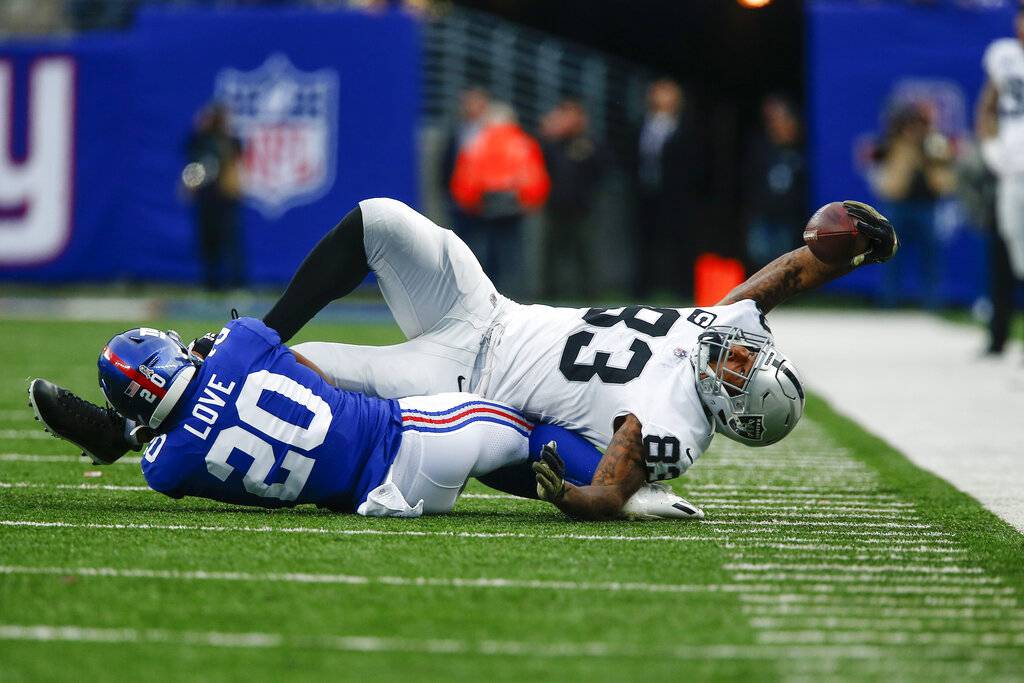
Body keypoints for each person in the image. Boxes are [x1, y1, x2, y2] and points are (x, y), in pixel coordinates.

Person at [32, 197, 897, 521]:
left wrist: (598, 499)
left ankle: (121, 429)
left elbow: (618, 460)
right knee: (380, 220)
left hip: (457, 393)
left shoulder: (678, 422)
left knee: (283, 384)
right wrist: (851, 248)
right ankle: (234, 351)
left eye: (744, 370)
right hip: (487, 313)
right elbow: (783, 274)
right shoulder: (718, 336)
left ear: (732, 408)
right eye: (748, 354)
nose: (738, 350)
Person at [28, 318, 693, 518]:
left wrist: (136, 429)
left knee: (498, 463)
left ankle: (600, 490)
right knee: (524, 425)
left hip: (368, 496)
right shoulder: (239, 345)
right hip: (412, 438)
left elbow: (181, 426)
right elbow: (238, 343)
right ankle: (631, 495)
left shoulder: (165, 470)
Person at [449, 103, 550, 296]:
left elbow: (466, 177)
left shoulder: (476, 142)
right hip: (514, 207)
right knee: (513, 253)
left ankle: (486, 297)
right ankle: (516, 295)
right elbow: (533, 176)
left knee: (485, 253)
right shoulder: (523, 143)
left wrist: (469, 201)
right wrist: (530, 200)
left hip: (484, 206)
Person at [869, 102, 954, 309]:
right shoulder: (892, 143)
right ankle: (889, 302)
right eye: (910, 124)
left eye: (918, 124)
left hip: (926, 206)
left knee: (930, 258)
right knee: (890, 255)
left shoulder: (933, 144)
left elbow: (947, 166)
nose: (913, 129)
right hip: (898, 204)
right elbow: (876, 160)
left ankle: (932, 305)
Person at [977, 3, 1024, 354]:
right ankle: (999, 337)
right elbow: (988, 106)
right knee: (1007, 252)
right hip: (1012, 173)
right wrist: (991, 146)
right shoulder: (1004, 57)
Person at [631, 79, 700, 299]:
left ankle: (683, 290)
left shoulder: (686, 127)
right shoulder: (641, 124)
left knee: (680, 242)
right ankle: (642, 290)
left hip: (677, 197)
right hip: (647, 194)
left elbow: (694, 161)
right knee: (644, 243)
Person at [539, 99, 608, 298]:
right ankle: (549, 296)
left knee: (585, 253)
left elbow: (601, 170)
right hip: (554, 207)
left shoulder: (590, 143)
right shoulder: (551, 144)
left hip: (582, 208)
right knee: (551, 254)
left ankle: (590, 295)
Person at [183, 103, 245, 291]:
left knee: (230, 241)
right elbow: (190, 153)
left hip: (226, 199)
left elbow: (236, 154)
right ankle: (211, 283)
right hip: (207, 198)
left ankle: (237, 283)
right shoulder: (201, 140)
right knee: (208, 241)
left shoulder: (230, 140)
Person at [744, 95, 807, 271]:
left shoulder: (801, 152)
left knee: (783, 258)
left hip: (787, 215)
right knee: (759, 255)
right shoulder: (760, 149)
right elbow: (752, 180)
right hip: (763, 213)